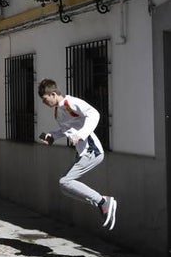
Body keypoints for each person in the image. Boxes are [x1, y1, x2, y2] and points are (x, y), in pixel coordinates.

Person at [36, 78, 116, 229]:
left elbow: (94, 114)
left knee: (65, 182)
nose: (43, 102)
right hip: (82, 152)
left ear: (53, 94)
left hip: (92, 150)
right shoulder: (58, 111)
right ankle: (102, 202)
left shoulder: (70, 103)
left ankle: (103, 202)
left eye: (45, 99)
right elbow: (66, 130)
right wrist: (52, 136)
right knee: (65, 187)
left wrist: (81, 134)